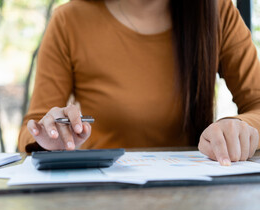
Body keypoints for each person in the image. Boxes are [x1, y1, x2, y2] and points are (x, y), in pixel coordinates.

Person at [18, 0, 260, 166]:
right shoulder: (69, 21)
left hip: (194, 198)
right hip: (103, 199)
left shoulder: (217, 11)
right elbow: (32, 130)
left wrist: (240, 127)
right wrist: (51, 139)